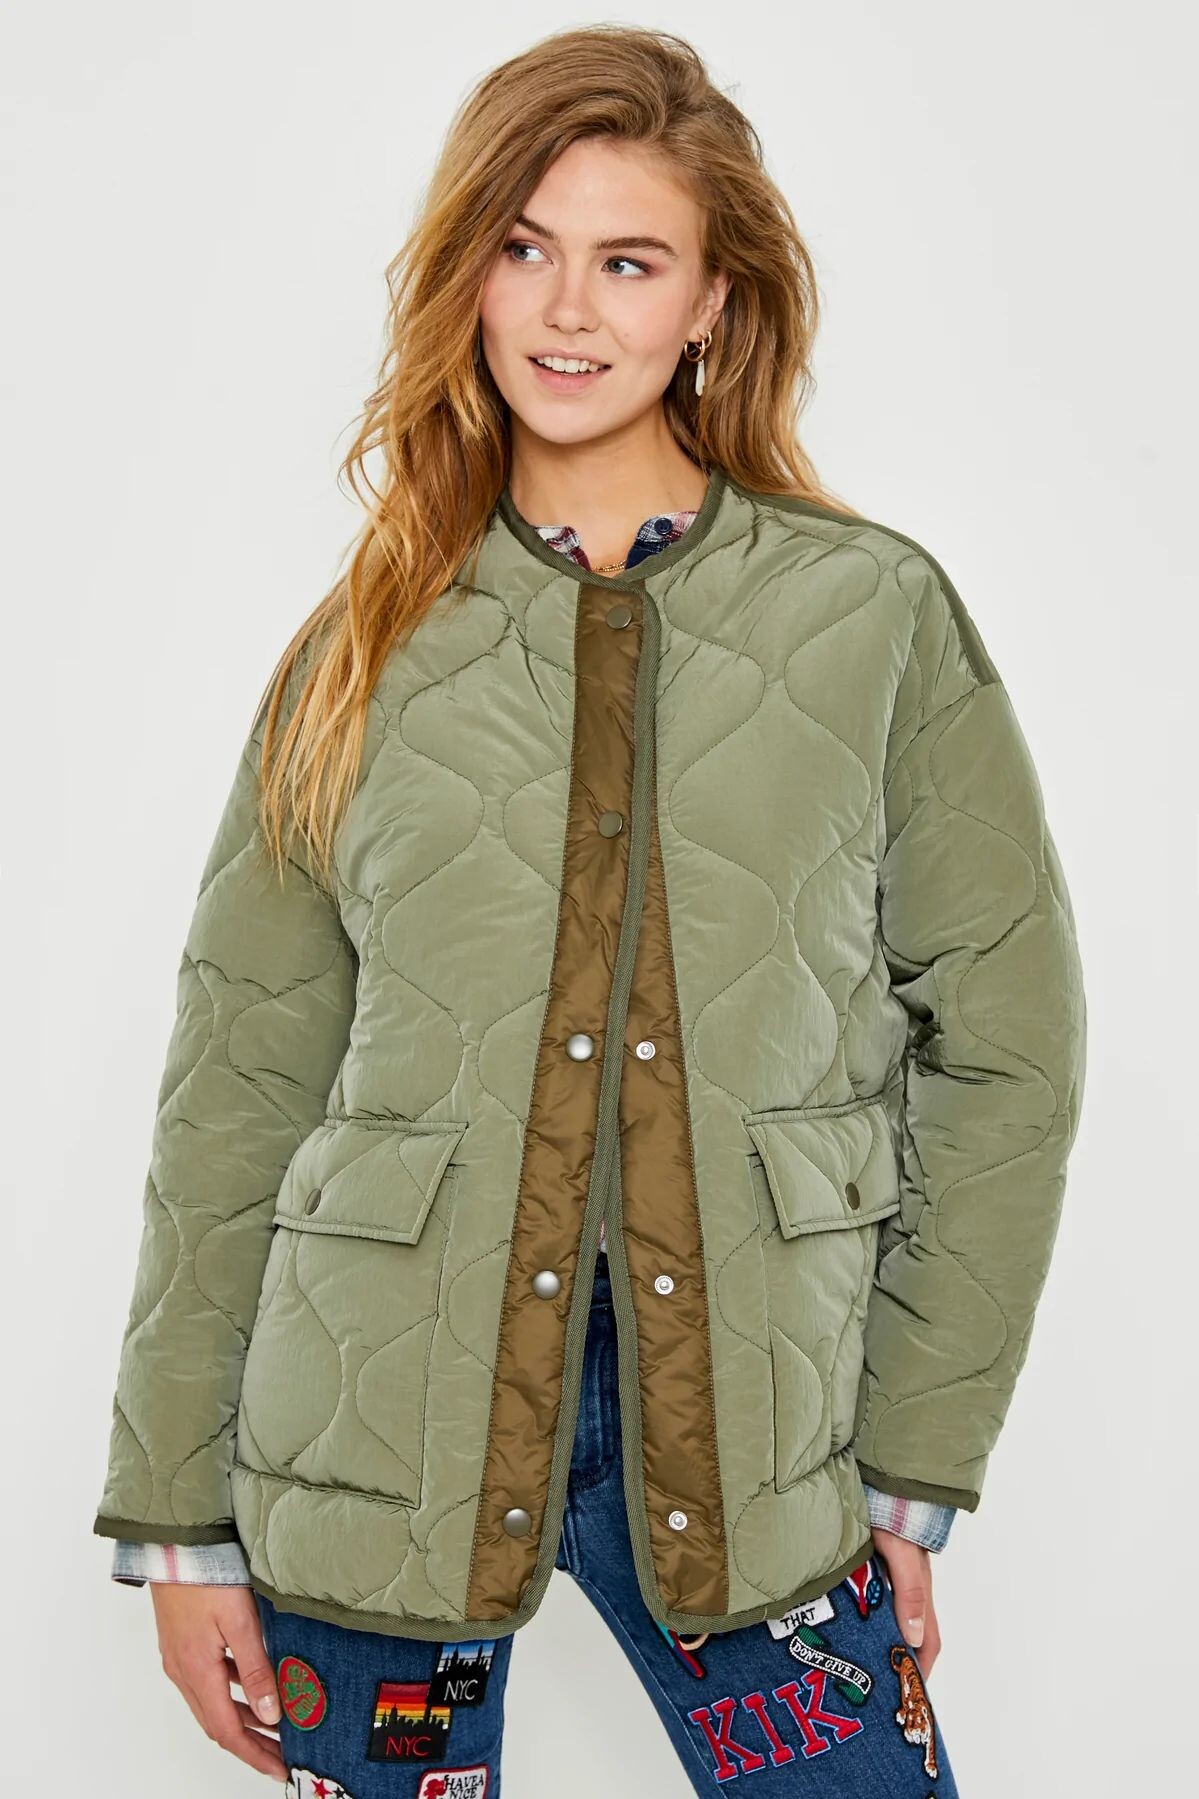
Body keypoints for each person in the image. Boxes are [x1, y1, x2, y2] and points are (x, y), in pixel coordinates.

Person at [92, 24, 1087, 1797]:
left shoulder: (872, 621)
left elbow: (1009, 1045)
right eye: (524, 248)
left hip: (759, 1442)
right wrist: (178, 1524)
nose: (568, 309)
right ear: (467, 280)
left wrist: (913, 1467)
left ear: (711, 303)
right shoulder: (360, 649)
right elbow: (237, 1086)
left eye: (629, 261)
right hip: (374, 1434)